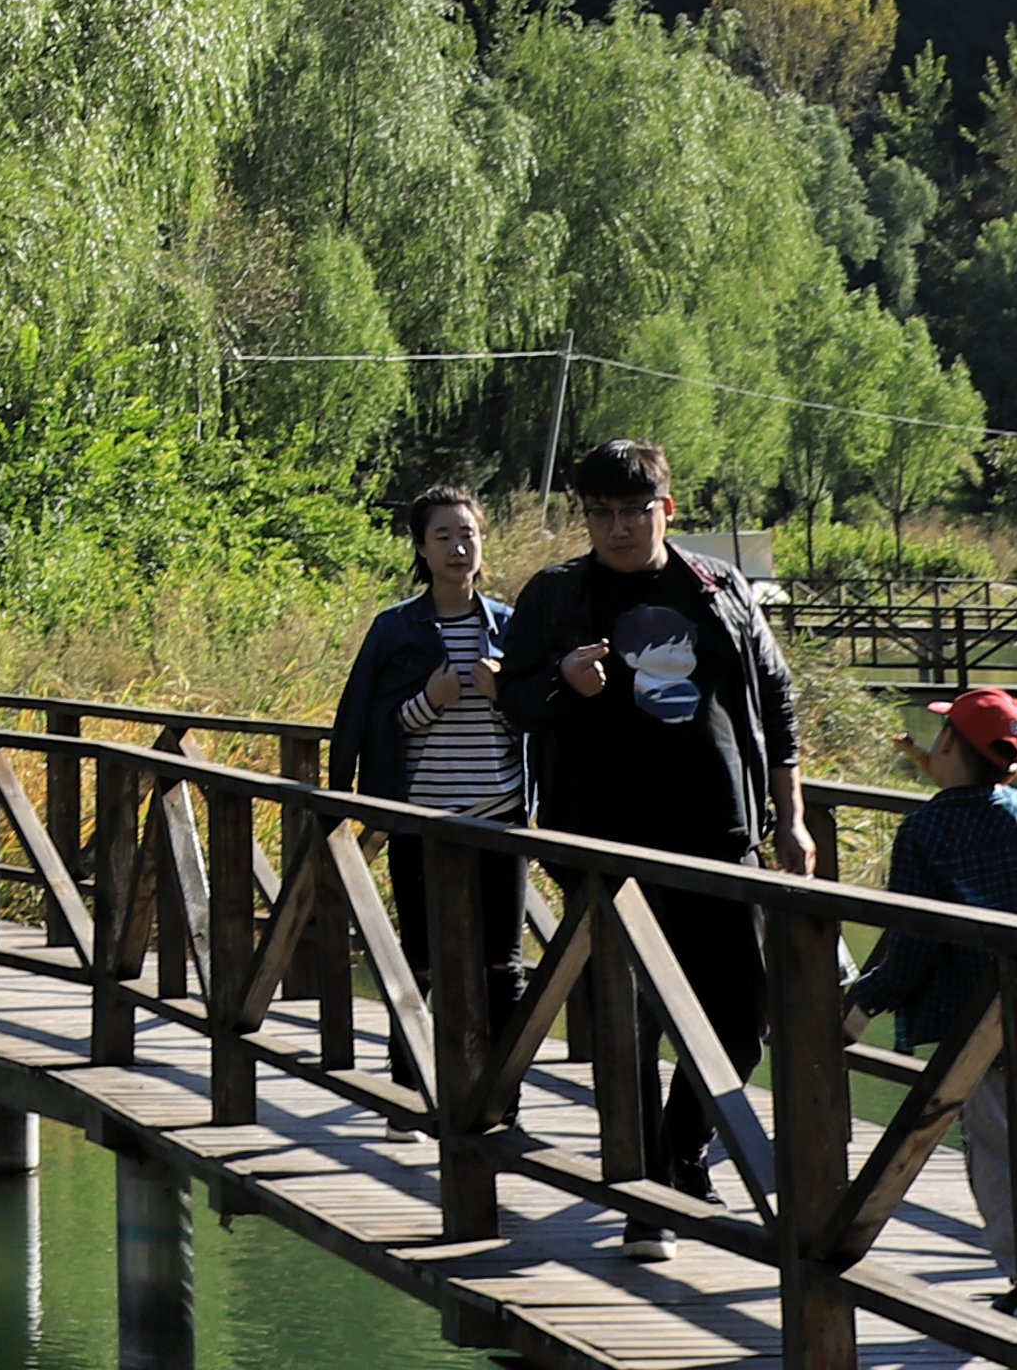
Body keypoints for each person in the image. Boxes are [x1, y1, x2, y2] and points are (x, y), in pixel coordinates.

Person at [495, 440, 808, 1262]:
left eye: (635, 510)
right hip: (602, 843)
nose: (619, 526)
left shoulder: (718, 587)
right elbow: (518, 699)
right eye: (601, 512)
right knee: (628, 1022)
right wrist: (568, 680)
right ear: (585, 516)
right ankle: (647, 1199)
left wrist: (793, 815)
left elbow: (775, 696)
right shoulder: (559, 593)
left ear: (667, 509)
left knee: (743, 1017)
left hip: (717, 835)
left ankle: (679, 1150)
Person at [846, 689, 1017, 1295]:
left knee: (995, 1157)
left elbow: (911, 942)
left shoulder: (926, 828)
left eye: (940, 735)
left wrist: (868, 998)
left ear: (949, 747)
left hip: (975, 1020)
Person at [332, 483, 523, 1083]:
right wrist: (430, 700)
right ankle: (408, 1083)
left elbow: (534, 721)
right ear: (421, 546)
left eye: (467, 534)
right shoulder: (396, 630)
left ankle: (501, 1094)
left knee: (504, 966)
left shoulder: (510, 626)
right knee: (418, 959)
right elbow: (371, 719)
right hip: (423, 816)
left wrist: (503, 697)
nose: (458, 547)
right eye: (443, 536)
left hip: (500, 812)